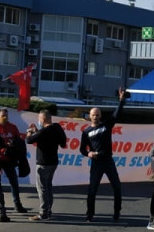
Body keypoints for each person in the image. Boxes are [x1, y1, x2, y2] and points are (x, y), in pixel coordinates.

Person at [79, 87, 129, 222]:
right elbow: (82, 149)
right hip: (96, 163)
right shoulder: (86, 132)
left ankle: (117, 212)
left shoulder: (106, 125)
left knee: (117, 187)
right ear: (89, 116)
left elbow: (116, 114)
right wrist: (89, 154)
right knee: (92, 190)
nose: (95, 116)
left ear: (100, 116)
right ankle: (89, 214)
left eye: (97, 114)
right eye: (93, 114)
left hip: (108, 161)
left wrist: (121, 100)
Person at [25, 109, 67, 221]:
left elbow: (29, 140)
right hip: (53, 162)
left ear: (43, 119)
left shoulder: (43, 132)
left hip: (43, 163)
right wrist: (37, 131)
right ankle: (48, 209)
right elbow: (63, 143)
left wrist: (29, 132)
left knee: (42, 188)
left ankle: (43, 213)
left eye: (39, 118)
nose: (38, 120)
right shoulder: (57, 128)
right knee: (48, 187)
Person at [0, 109, 28, 214]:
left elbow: (18, 141)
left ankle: (17, 204)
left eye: (6, 115)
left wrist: (14, 147)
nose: (5, 117)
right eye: (3, 115)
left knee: (14, 182)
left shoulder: (12, 127)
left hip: (9, 159)